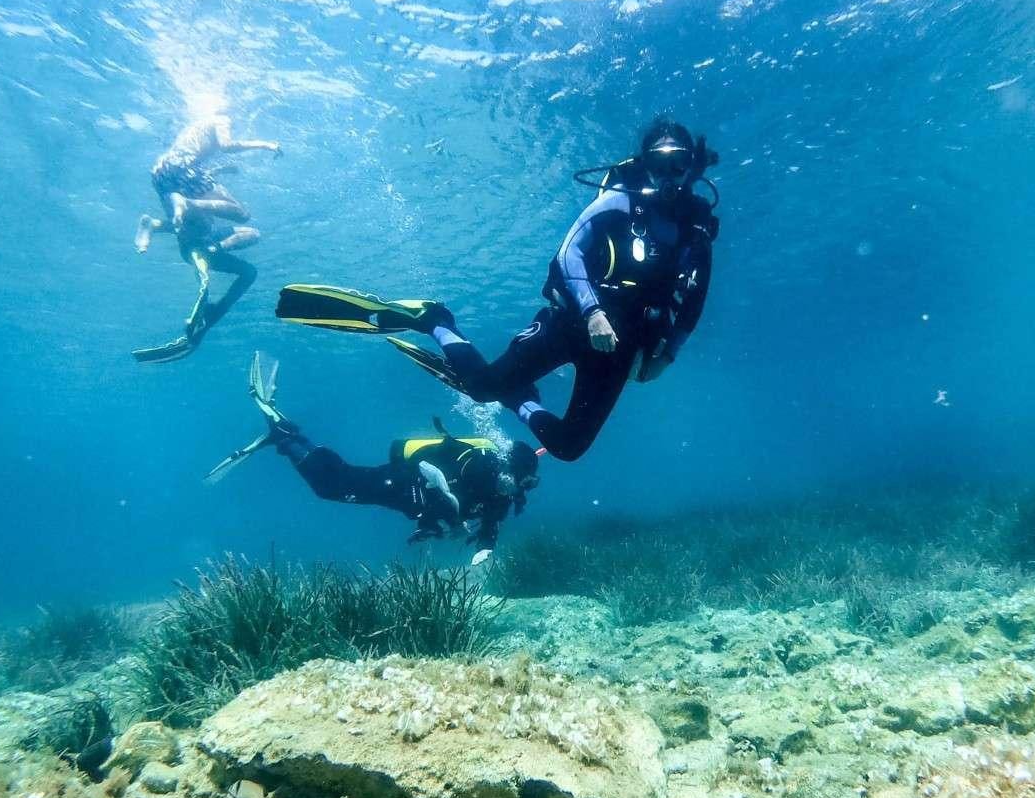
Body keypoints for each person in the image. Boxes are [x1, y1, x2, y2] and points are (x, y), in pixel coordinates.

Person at [273, 116, 719, 461]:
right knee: (482, 389)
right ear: (644, 164)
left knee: (568, 447)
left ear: (691, 167)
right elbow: (569, 254)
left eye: (677, 163)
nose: (668, 175)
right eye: (658, 164)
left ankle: (522, 401)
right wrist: (592, 312)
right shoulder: (618, 201)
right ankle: (433, 320)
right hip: (570, 324)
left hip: (624, 347)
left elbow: (696, 295)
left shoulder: (697, 223)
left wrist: (668, 352)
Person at [206, 354, 541, 549]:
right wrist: (447, 519)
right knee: (335, 485)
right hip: (403, 481)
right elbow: (443, 489)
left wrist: (481, 540)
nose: (516, 489)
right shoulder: (480, 466)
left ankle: (288, 438)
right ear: (505, 467)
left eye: (525, 485)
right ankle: (284, 435)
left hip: (404, 494)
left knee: (342, 480)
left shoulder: (500, 496)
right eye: (518, 481)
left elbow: (484, 519)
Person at [132, 115, 281, 363]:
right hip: (183, 174)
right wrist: (266, 145)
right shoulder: (219, 116)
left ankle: (157, 225)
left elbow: (193, 167)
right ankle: (195, 222)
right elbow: (226, 145)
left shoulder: (193, 132)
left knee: (245, 262)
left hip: (164, 177)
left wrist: (220, 170)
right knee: (241, 214)